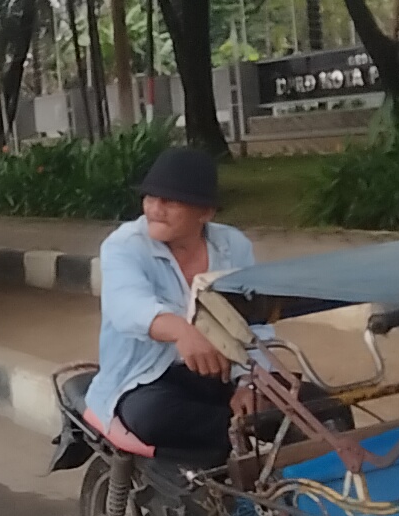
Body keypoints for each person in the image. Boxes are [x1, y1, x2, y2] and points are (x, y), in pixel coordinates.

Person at [83, 147, 276, 467]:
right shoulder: (124, 246)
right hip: (146, 379)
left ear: (206, 213)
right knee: (155, 419)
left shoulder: (233, 246)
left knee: (322, 410)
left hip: (224, 373)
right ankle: (225, 483)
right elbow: (126, 306)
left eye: (169, 201)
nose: (155, 209)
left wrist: (250, 382)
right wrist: (181, 331)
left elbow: (253, 321)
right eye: (150, 198)